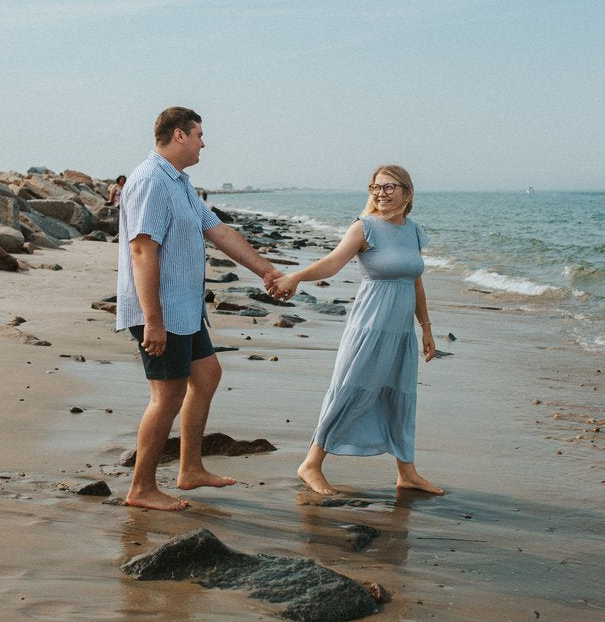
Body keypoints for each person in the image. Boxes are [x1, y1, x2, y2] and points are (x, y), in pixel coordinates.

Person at [117, 107, 284, 511]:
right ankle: (141, 488)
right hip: (159, 310)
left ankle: (189, 468)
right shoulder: (151, 181)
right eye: (199, 135)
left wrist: (267, 271)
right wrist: (152, 320)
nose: (203, 143)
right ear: (179, 135)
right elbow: (142, 249)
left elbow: (219, 231)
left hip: (184, 307)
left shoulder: (181, 183)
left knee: (207, 374)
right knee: (167, 395)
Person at [268, 164, 443, 496]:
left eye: (389, 188)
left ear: (407, 192)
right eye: (375, 188)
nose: (380, 194)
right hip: (370, 326)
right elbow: (332, 263)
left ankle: (407, 471)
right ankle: (311, 464)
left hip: (401, 331)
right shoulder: (365, 228)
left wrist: (427, 329)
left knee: (401, 394)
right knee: (350, 389)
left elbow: (415, 280)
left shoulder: (413, 231)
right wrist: (295, 277)